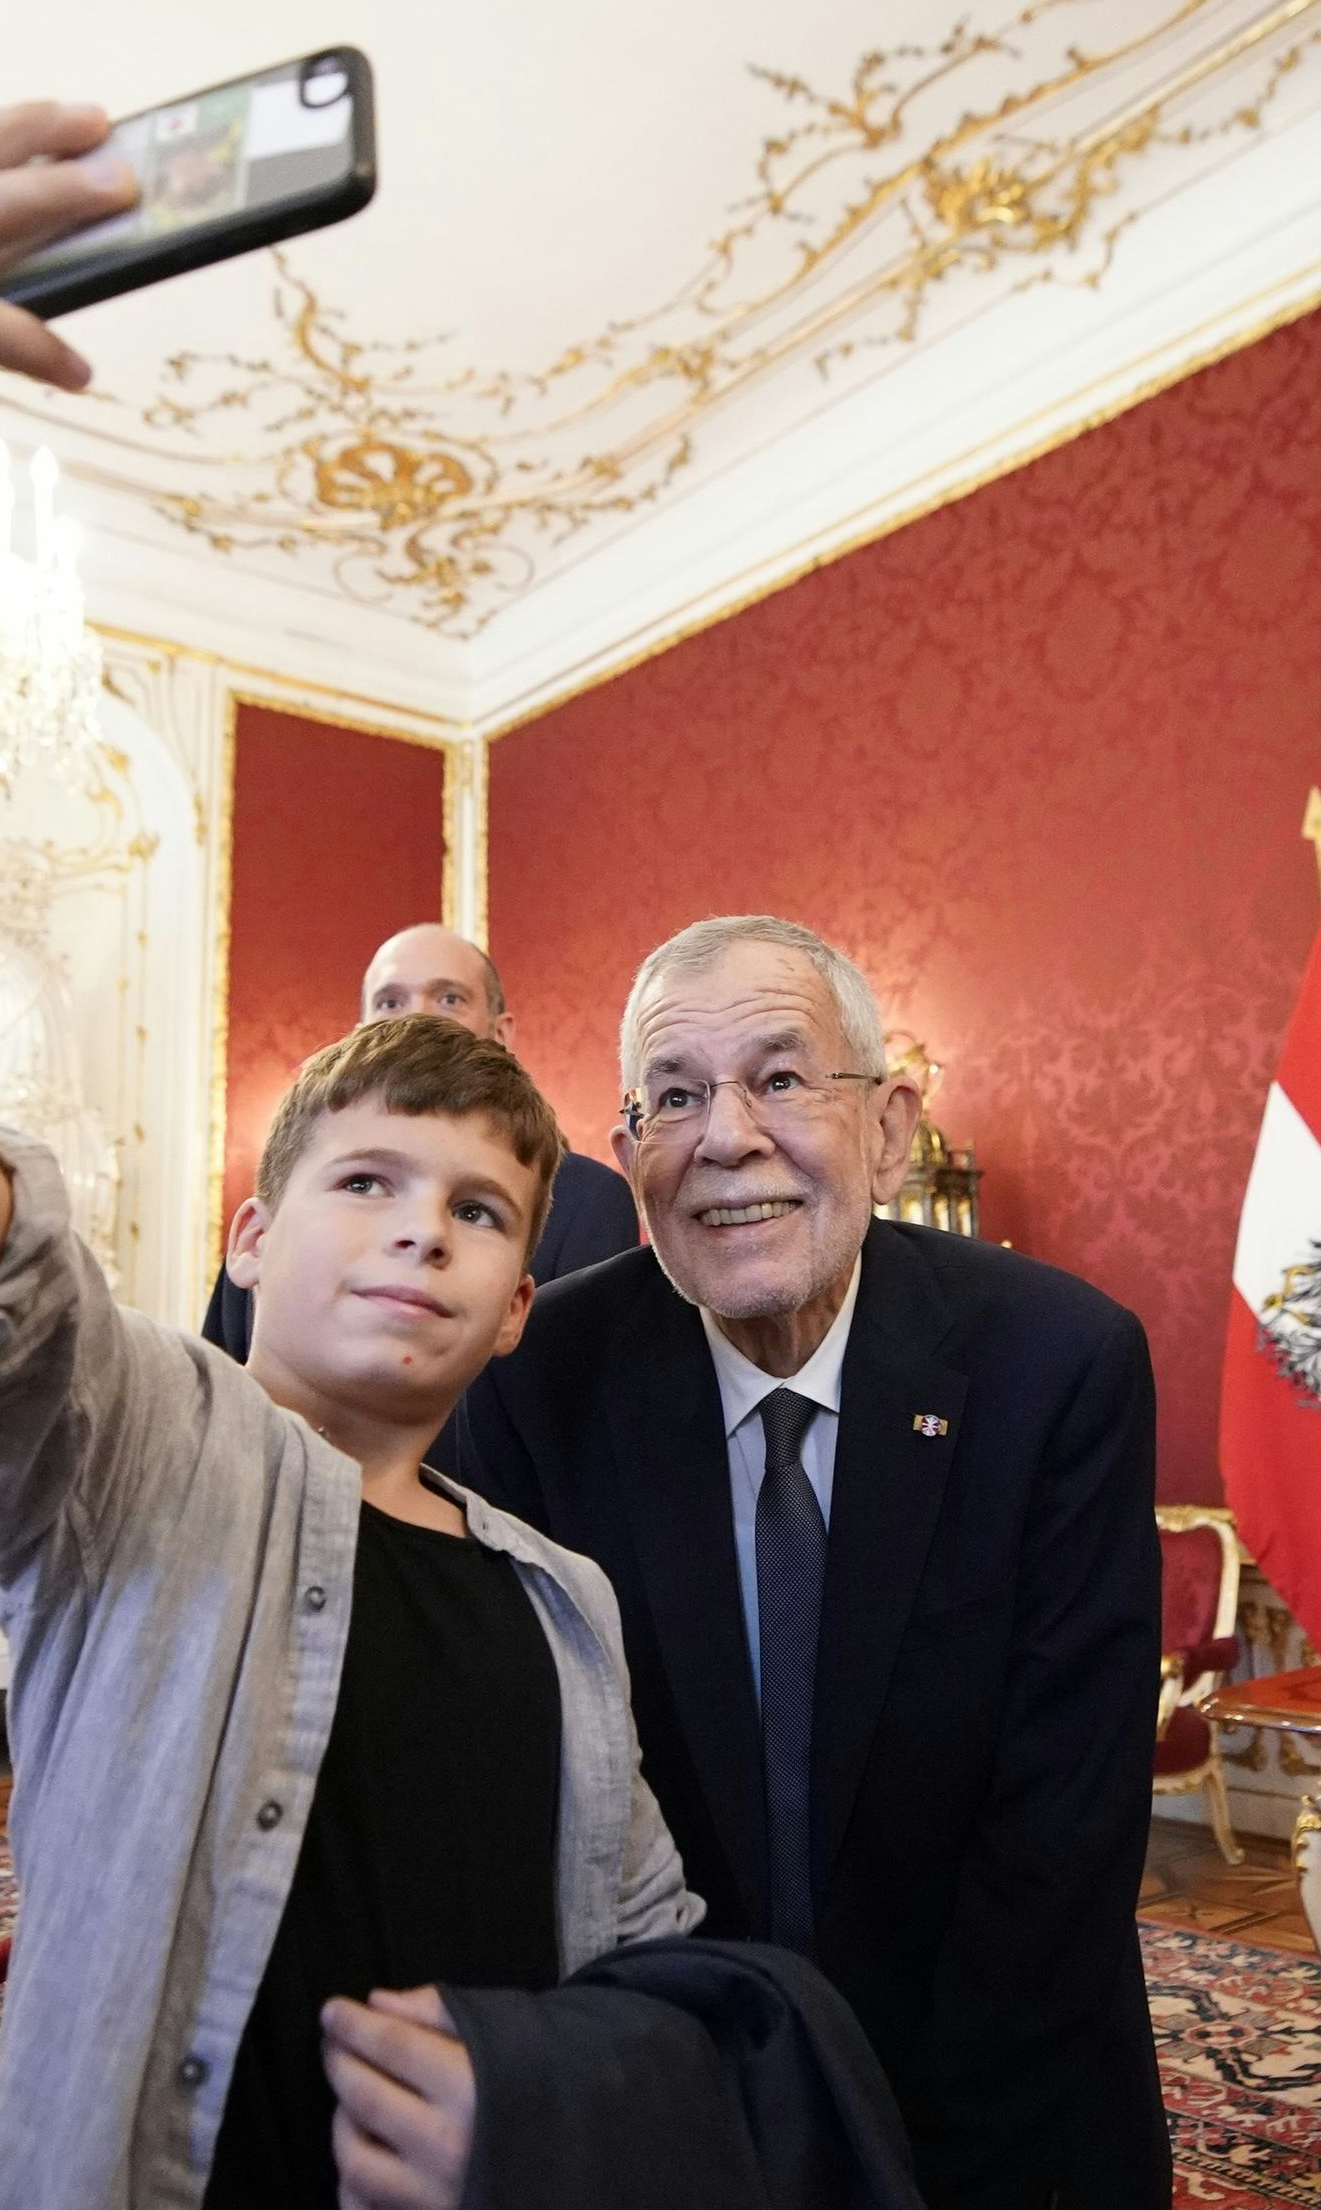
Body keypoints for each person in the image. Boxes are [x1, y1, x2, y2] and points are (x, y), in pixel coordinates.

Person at [0, 100, 702, 2210]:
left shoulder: (563, 1606)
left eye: (474, 1212)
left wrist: (548, 2100)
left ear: (518, 1307)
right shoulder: (153, 1464)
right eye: (364, 1183)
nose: (420, 1238)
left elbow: (640, 1948)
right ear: (248, 1233)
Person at [455, 915, 1169, 2209]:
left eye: (782, 1078)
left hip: (1004, 2101)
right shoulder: (535, 1382)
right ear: (628, 1161)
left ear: (889, 1128)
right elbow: (526, 1795)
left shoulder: (1057, 1363)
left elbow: (1062, 1834)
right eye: (675, 1096)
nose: (728, 1136)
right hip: (669, 2096)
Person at [204, 922, 635, 1360]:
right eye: (390, 1002)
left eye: (449, 998)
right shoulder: (290, 1190)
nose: (417, 1017)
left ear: (500, 1034)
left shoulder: (589, 1199)